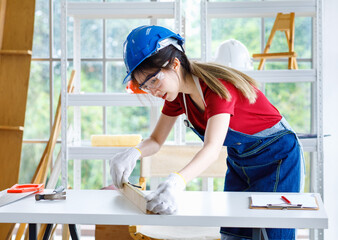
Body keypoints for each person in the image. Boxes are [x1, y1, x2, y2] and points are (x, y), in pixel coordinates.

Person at [109, 25, 304, 240]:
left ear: (174, 64)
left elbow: (212, 149)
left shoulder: (217, 89)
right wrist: (133, 153)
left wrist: (176, 182)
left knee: (272, 233)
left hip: (279, 158)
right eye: (144, 86)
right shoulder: (177, 97)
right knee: (234, 233)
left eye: (154, 80)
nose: (153, 91)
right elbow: (156, 140)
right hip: (241, 162)